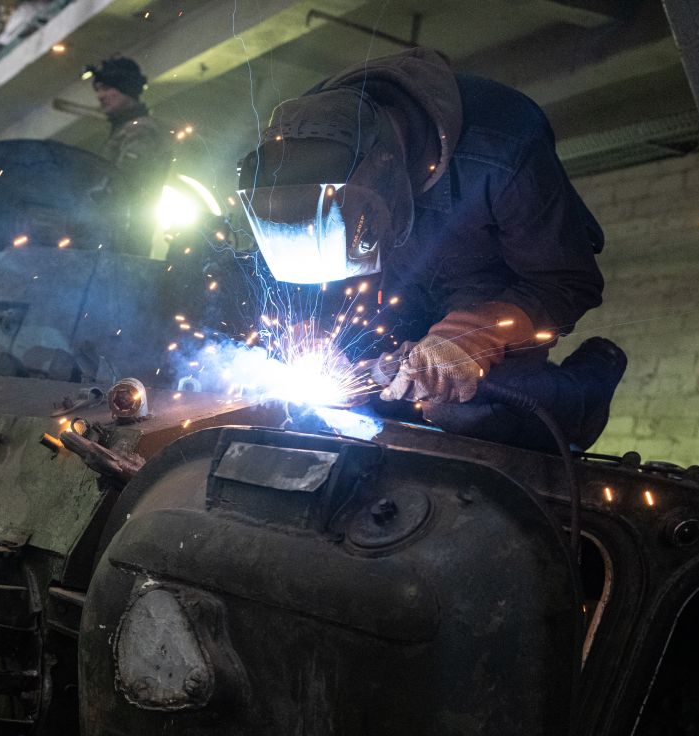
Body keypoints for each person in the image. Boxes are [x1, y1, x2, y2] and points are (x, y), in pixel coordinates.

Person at [235, 47, 621, 447]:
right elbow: (298, 286)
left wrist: (471, 335)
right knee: (366, 404)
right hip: (392, 283)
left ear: (385, 178)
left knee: (467, 406)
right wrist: (314, 335)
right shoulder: (300, 139)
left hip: (485, 283)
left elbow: (566, 282)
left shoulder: (503, 150)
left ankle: (586, 390)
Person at [88, 56, 173, 251]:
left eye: (108, 88)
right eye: (99, 89)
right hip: (116, 233)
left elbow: (125, 181)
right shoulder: (126, 129)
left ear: (126, 88)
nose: (100, 96)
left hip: (123, 236)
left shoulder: (140, 129)